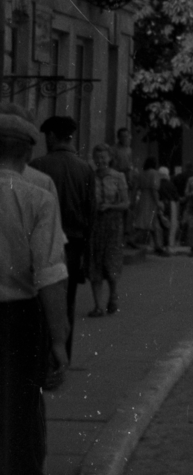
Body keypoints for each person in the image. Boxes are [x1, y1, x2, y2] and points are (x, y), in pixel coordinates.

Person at [0, 107, 69, 475]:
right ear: (26, 155)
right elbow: (49, 274)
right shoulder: (38, 197)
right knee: (17, 414)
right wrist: (59, 340)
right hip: (16, 320)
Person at [34, 114, 95, 362]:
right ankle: (63, 356)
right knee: (66, 300)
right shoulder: (85, 169)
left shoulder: (38, 166)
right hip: (75, 244)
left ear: (50, 136)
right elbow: (91, 214)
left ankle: (44, 354)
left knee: (41, 300)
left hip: (45, 242)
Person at [87, 145, 130, 315]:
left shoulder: (118, 177)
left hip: (113, 226)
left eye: (103, 158)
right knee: (94, 264)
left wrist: (111, 206)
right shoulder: (90, 176)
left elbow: (126, 203)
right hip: (95, 225)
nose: (100, 161)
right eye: (97, 158)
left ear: (110, 158)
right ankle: (98, 306)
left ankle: (113, 296)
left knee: (111, 263)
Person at [132, 157, 161, 250]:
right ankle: (132, 239)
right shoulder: (155, 173)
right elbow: (154, 189)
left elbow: (136, 188)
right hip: (150, 200)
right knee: (148, 223)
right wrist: (158, 202)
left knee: (151, 223)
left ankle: (157, 245)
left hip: (142, 198)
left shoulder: (141, 174)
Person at [155, 166, 174, 254]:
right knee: (166, 226)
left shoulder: (157, 183)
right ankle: (166, 246)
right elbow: (175, 196)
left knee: (157, 226)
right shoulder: (170, 184)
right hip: (167, 205)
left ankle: (158, 245)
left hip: (157, 204)